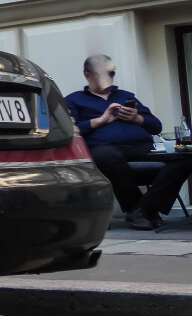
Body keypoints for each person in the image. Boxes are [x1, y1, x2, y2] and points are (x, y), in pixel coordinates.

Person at [64, 55, 192, 230]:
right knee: (105, 155)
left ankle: (143, 210)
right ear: (88, 75)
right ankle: (139, 209)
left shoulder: (126, 96)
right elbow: (70, 131)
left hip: (142, 148)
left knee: (186, 157)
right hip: (105, 151)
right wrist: (100, 120)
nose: (108, 78)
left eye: (111, 73)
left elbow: (156, 126)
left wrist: (137, 118)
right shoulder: (74, 100)